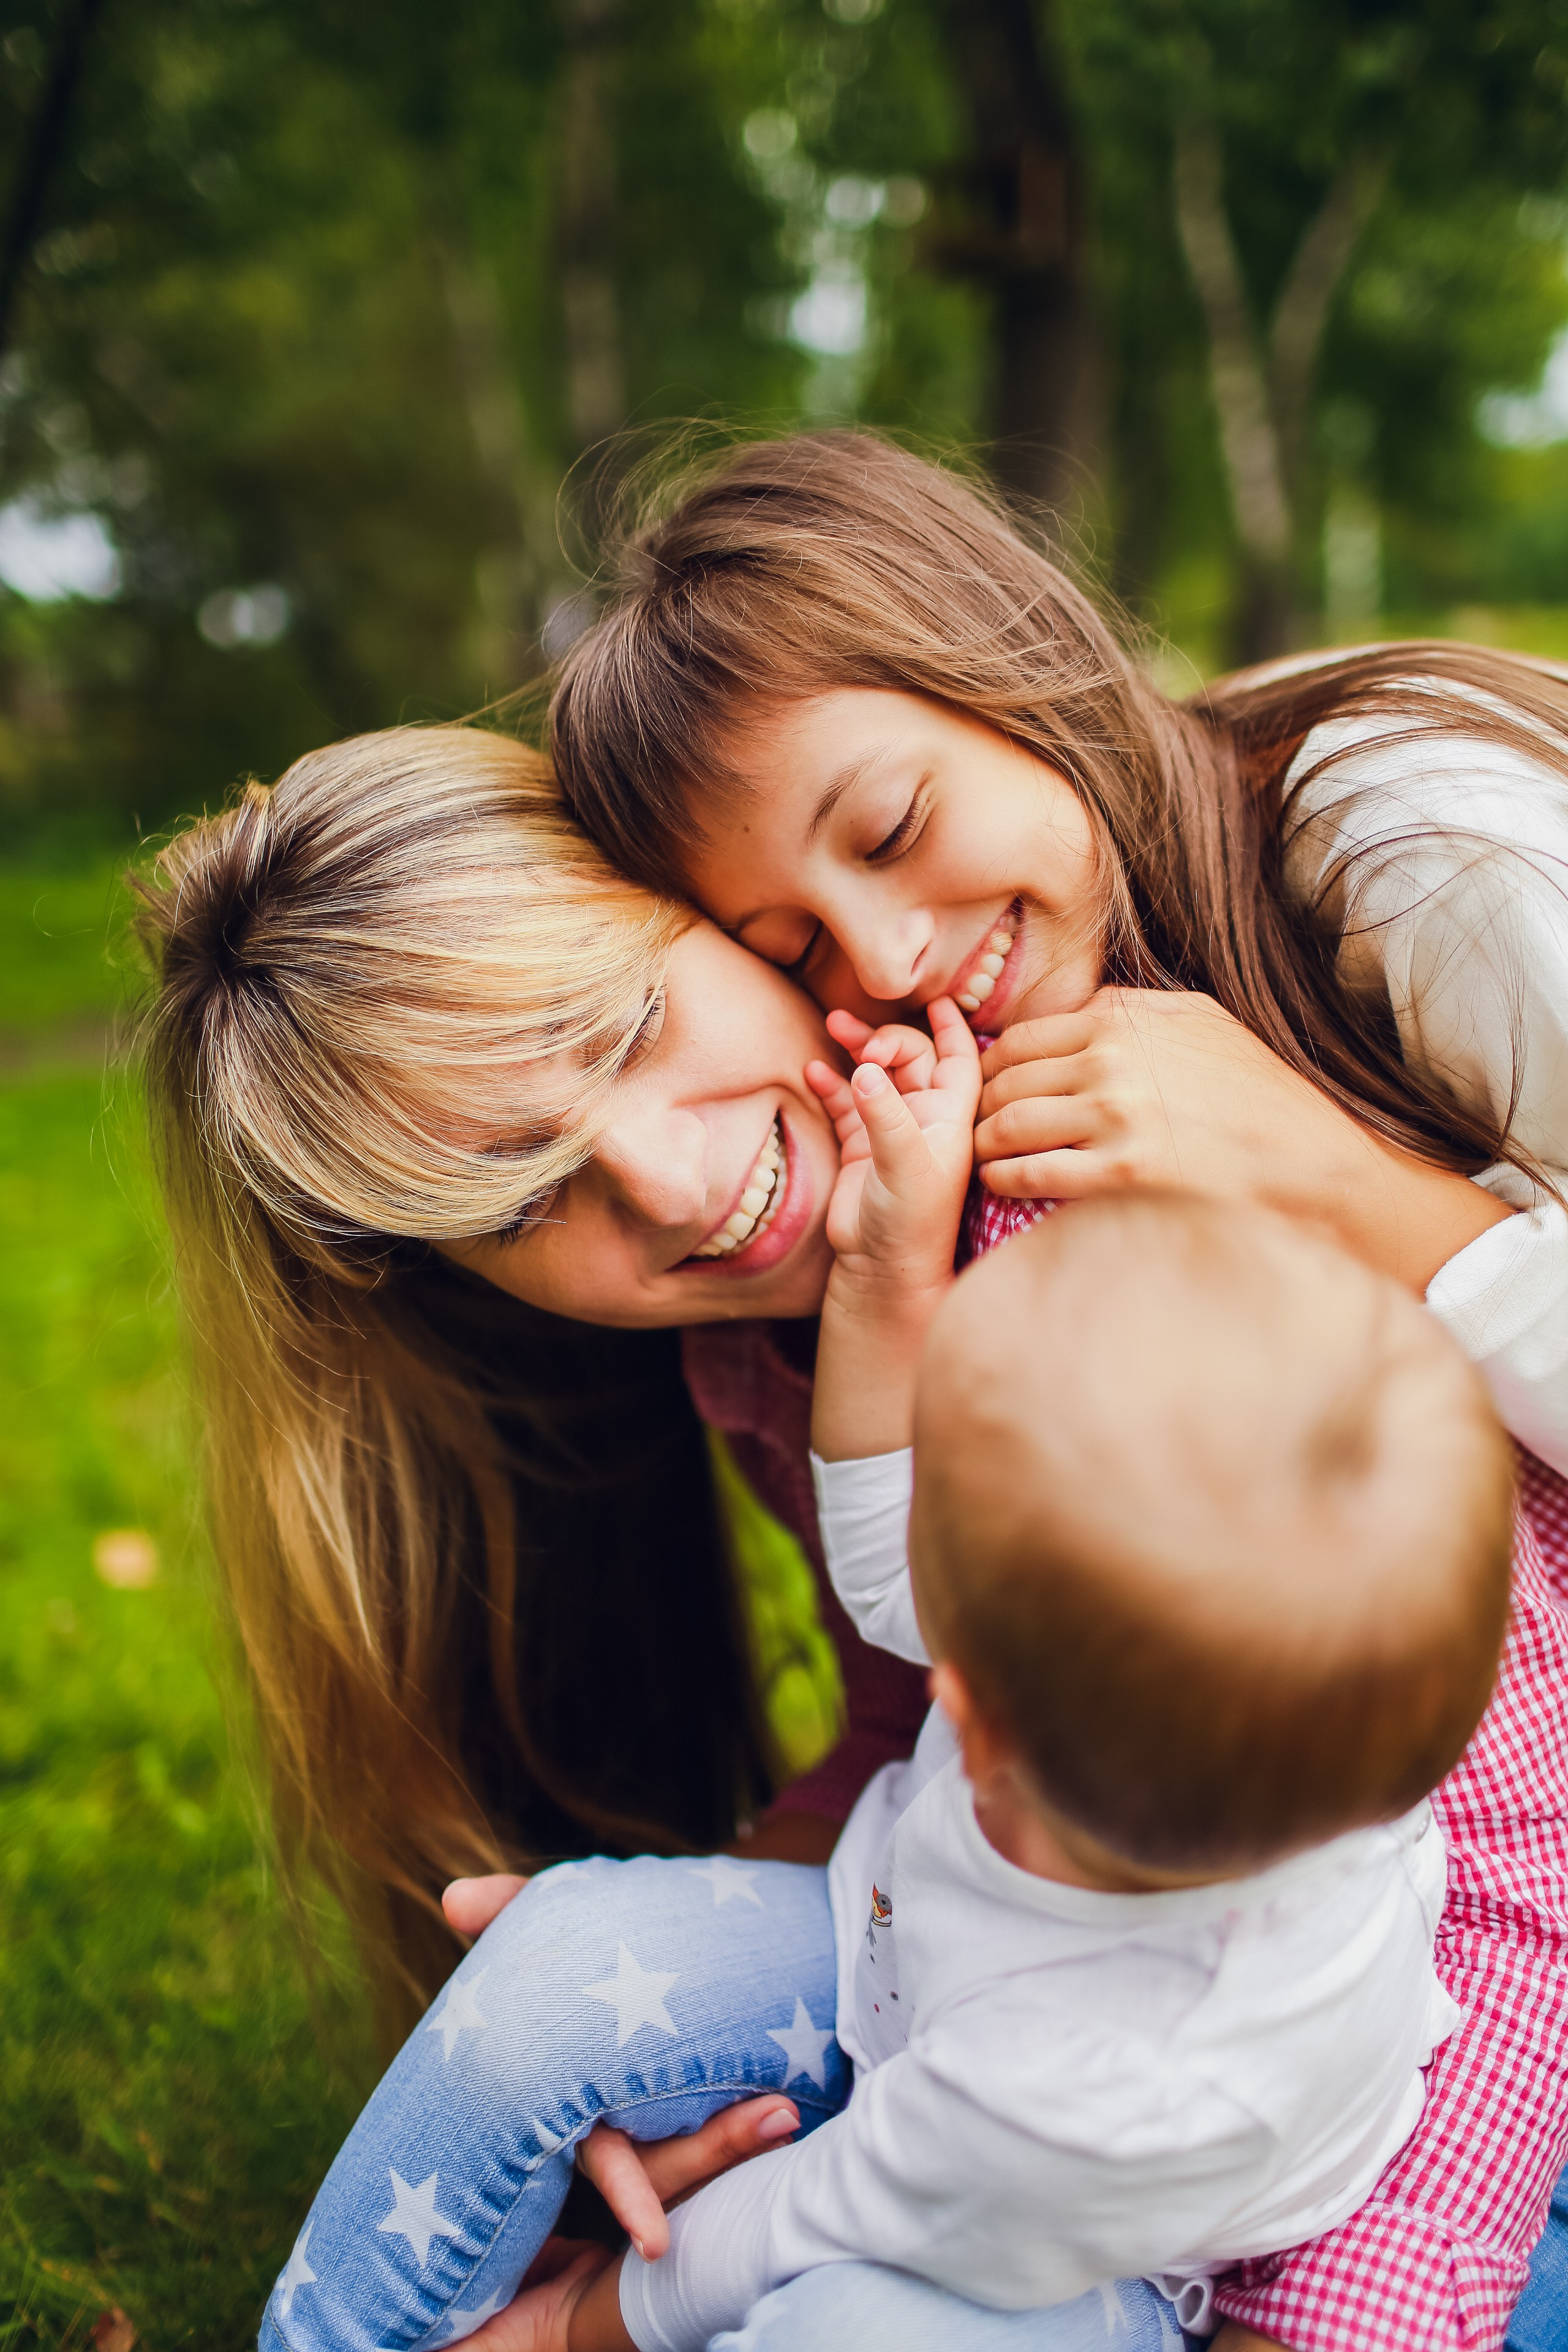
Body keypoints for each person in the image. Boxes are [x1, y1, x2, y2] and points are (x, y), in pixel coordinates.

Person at [546, 428, 1568, 2350]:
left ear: (1000, 652)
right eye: (793, 948)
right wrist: (666, 1973)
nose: (893, 957)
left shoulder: (1418, 850)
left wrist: (1350, 1186)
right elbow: (937, 1669)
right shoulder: (973, 1180)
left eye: (891, 825)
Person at [503, 1046, 1516, 2352]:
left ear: (974, 1720)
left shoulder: (1053, 2090)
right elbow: (898, 1574)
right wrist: (889, 1278)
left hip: (1112, 2261)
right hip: (1008, 2098)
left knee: (833, 2326)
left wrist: (577, 2325)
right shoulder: (1266, 1702)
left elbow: (816, 2208)